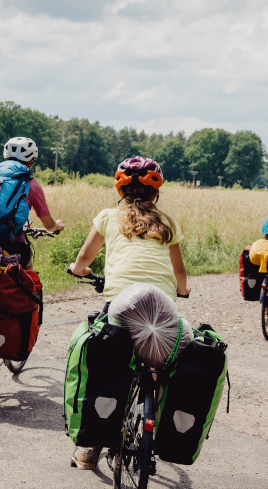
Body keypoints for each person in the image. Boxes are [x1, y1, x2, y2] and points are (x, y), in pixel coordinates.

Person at [67, 156, 190, 469]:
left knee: (107, 365)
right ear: (156, 193)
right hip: (162, 304)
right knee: (163, 366)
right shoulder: (167, 223)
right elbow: (179, 270)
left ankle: (90, 446)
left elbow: (85, 256)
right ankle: (156, 432)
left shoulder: (109, 217)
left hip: (120, 302)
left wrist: (79, 270)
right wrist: (183, 290)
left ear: (119, 189)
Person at [0, 137, 64, 268]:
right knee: (28, 265)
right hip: (12, 244)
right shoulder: (32, 185)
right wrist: (57, 225)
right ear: (31, 163)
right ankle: (29, 289)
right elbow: (49, 226)